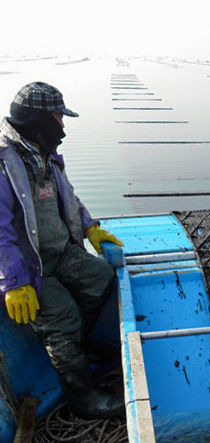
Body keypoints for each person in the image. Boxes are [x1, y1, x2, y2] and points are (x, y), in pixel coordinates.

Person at [0, 82, 124, 418]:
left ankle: (87, 352)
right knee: (62, 315)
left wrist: (90, 226)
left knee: (101, 278)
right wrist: (13, 282)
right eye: (58, 117)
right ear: (38, 119)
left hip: (60, 251)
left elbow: (68, 197)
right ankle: (84, 399)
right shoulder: (4, 161)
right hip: (28, 267)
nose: (63, 126)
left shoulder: (46, 155)